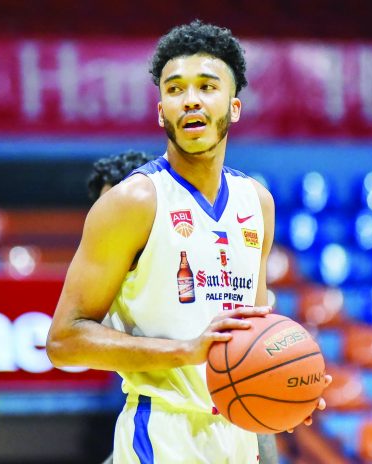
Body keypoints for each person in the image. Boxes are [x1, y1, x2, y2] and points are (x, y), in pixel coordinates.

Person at [47, 20, 330, 464]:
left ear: (233, 107)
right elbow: (63, 342)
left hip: (237, 433)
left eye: (206, 86)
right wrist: (184, 351)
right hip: (161, 436)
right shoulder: (134, 201)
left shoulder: (258, 202)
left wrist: (287, 387)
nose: (190, 99)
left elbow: (252, 333)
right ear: (161, 110)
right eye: (175, 89)